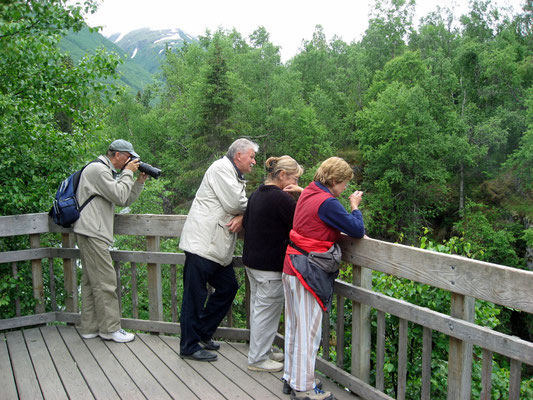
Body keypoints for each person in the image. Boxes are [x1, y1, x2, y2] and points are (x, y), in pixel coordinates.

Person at [282, 157, 365, 400]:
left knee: (295, 327)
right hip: (306, 270)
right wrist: (354, 206)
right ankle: (304, 388)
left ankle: (292, 377)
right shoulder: (328, 203)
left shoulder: (308, 191)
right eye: (345, 185)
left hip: (291, 265)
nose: (345, 189)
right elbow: (356, 230)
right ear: (334, 181)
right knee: (309, 331)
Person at [179, 138, 259, 362]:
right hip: (202, 244)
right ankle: (188, 345)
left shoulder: (232, 173)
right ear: (238, 156)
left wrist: (243, 216)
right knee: (194, 297)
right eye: (251, 156)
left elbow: (238, 207)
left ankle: (203, 331)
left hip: (216, 247)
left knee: (228, 287)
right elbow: (235, 203)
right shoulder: (220, 169)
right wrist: (245, 213)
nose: (254, 161)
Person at [74, 139, 148, 343]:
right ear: (117, 155)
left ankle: (90, 327)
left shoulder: (103, 171)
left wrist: (139, 181)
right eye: (129, 156)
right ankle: (110, 329)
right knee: (106, 281)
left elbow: (124, 199)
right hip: (93, 232)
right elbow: (119, 194)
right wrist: (128, 173)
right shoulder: (98, 170)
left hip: (90, 231)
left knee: (91, 281)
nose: (131, 160)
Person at [243, 156, 304, 372]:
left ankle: (263, 350)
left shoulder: (257, 193)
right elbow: (305, 221)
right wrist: (302, 194)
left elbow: (246, 223)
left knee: (259, 309)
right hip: (269, 265)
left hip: (252, 262)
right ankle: (258, 359)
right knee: (266, 311)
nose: (296, 183)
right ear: (282, 176)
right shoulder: (281, 199)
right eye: (295, 179)